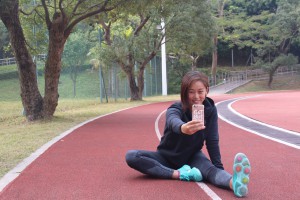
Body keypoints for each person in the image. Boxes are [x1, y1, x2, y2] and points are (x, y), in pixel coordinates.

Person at [125, 71, 251, 197]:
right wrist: (182, 128)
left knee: (211, 171)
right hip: (165, 157)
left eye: (200, 91)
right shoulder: (176, 108)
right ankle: (180, 174)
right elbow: (171, 120)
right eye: (191, 92)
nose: (196, 96)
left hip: (193, 157)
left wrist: (218, 168)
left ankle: (235, 183)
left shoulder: (211, 111)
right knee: (132, 156)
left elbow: (212, 140)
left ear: (207, 90)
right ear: (185, 92)